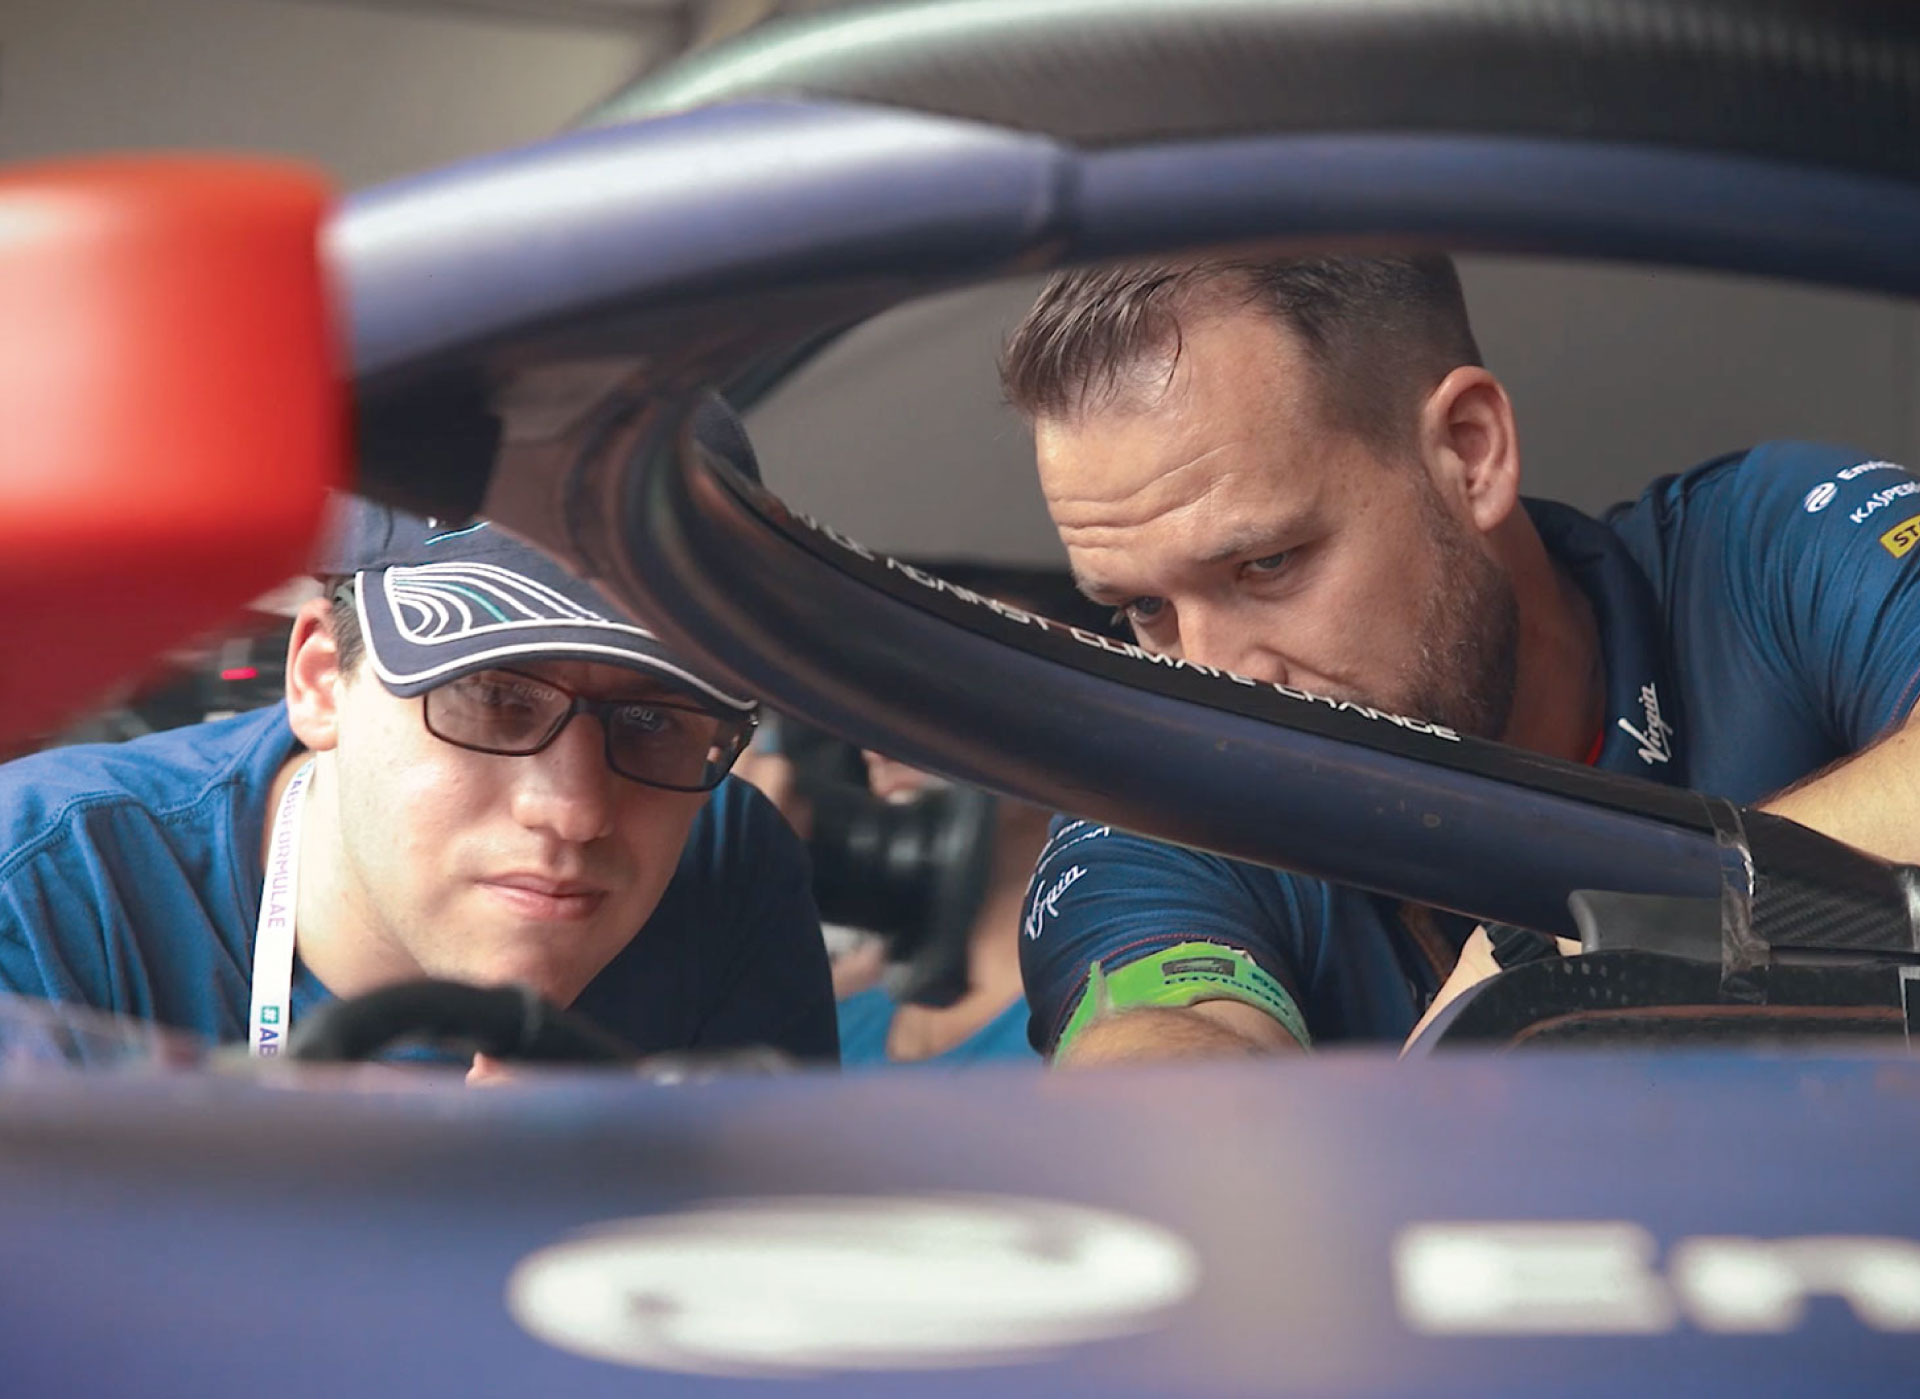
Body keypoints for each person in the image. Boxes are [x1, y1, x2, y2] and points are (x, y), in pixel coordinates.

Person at [999, 254, 1920, 1064]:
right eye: (1148, 609)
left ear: (1469, 454)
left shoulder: (1767, 545)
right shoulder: (1160, 792)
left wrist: (1585, 943)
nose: (1213, 684)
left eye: (1266, 563)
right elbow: (1160, 1076)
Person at [0, 492, 839, 1071]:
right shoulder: (46, 890)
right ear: (321, 682)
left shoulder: (729, 860)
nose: (576, 811)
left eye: (653, 721)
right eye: (496, 701)